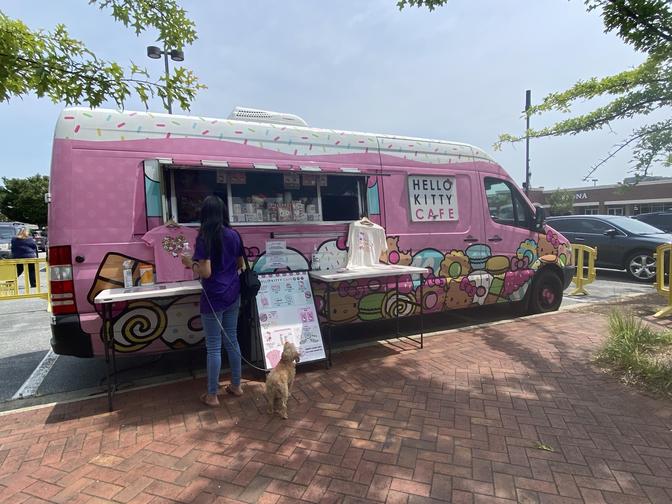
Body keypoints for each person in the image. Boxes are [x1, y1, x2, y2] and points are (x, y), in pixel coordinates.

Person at [181, 195, 244, 407]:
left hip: (213, 297)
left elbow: (206, 272)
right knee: (232, 340)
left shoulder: (204, 237)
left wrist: (190, 262)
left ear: (204, 215)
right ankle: (236, 385)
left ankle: (212, 395)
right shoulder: (234, 235)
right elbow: (240, 263)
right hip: (233, 293)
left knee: (214, 346)